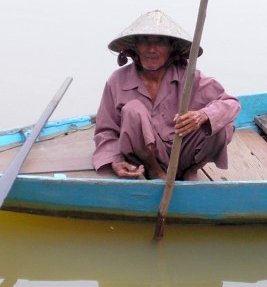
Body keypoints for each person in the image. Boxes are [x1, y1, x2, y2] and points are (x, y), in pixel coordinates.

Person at [92, 9, 241, 181]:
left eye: (160, 42)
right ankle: (154, 170)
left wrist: (202, 116)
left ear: (171, 48)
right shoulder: (118, 80)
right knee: (133, 110)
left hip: (182, 151)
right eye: (145, 42)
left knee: (222, 124)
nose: (152, 49)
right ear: (136, 47)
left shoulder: (189, 76)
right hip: (142, 159)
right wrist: (115, 161)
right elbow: (105, 131)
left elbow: (231, 103)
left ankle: (191, 169)